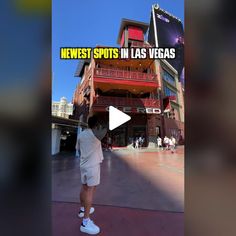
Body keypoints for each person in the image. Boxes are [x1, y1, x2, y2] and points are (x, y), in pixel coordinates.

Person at [75, 115, 107, 235]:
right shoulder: (96, 135)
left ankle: (82, 210)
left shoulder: (81, 135)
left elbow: (78, 149)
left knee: (84, 187)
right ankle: (85, 222)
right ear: (96, 125)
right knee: (90, 190)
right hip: (93, 166)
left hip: (83, 165)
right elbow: (105, 128)